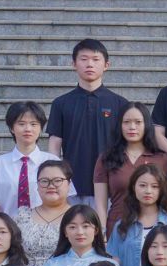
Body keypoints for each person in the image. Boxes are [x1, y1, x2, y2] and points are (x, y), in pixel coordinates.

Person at [45, 38, 129, 209]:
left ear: (106, 65)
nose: (89, 64)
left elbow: (127, 145)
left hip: (110, 187)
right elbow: (54, 146)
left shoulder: (120, 104)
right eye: (84, 59)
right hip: (71, 187)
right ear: (74, 64)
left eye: (95, 59)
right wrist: (55, 178)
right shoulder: (61, 103)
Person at [105, 162, 167, 266]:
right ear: (133, 187)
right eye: (142, 185)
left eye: (154, 186)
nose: (148, 191)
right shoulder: (121, 225)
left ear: (162, 190)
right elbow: (115, 264)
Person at [94, 102, 167, 226]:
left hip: (153, 229)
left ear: (146, 125)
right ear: (120, 125)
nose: (132, 127)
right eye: (126, 122)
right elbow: (101, 204)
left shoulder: (162, 159)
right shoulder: (106, 158)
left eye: (138, 122)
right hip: (117, 227)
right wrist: (102, 232)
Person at [0, 101, 55, 214]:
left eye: (33, 124)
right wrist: (1, 223)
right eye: (21, 124)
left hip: (46, 223)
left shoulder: (53, 162)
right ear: (12, 128)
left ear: (40, 129)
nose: (28, 129)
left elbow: (64, 199)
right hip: (7, 223)